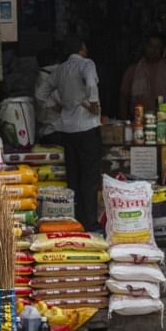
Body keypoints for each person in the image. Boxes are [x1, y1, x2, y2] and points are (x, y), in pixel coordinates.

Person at [38, 36, 102, 232]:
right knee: (89, 177)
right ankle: (90, 223)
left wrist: (58, 106)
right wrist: (93, 103)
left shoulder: (60, 70)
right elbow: (91, 84)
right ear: (82, 48)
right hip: (87, 127)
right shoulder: (86, 64)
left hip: (67, 129)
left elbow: (40, 94)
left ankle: (75, 220)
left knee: (73, 177)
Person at [119, 33, 166, 117]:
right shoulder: (133, 70)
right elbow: (123, 98)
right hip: (139, 122)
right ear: (145, 46)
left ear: (163, 50)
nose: (153, 50)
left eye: (158, 47)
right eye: (150, 46)